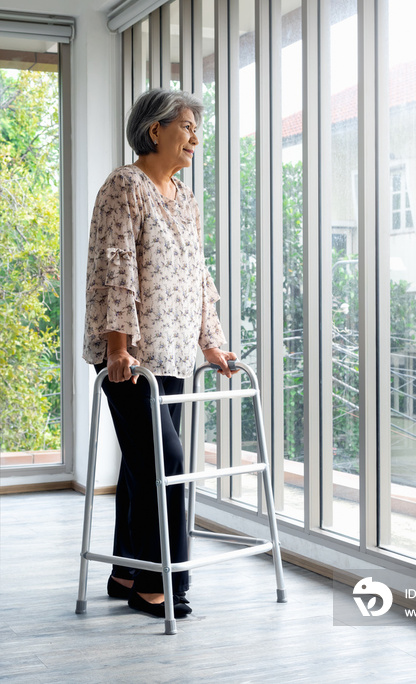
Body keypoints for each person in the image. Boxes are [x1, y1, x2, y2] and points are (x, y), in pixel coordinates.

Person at [83, 88, 237, 618]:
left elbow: (197, 276)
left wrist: (210, 341)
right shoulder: (123, 187)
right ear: (156, 131)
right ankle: (162, 583)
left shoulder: (186, 200)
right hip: (129, 358)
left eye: (198, 129)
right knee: (166, 463)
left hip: (172, 355)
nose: (197, 137)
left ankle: (125, 568)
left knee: (140, 466)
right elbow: (116, 268)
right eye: (188, 127)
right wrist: (118, 347)